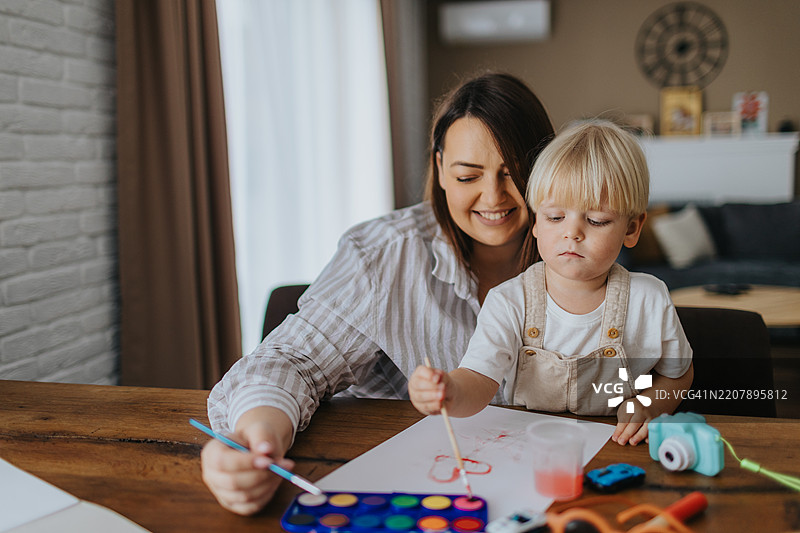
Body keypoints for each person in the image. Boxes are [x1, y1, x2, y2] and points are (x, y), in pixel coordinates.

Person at [201, 72, 555, 515]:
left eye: (513, 174)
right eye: (468, 176)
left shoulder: (582, 252)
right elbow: (291, 362)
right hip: (414, 500)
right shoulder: (382, 255)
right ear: (440, 168)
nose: (493, 196)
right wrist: (259, 437)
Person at [409, 119, 694, 447]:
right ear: (535, 221)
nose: (572, 233)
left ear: (632, 228)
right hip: (528, 450)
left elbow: (678, 374)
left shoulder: (650, 299)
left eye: (596, 220)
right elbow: (478, 380)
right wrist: (449, 391)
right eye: (555, 217)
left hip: (616, 450)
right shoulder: (509, 301)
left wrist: (649, 404)